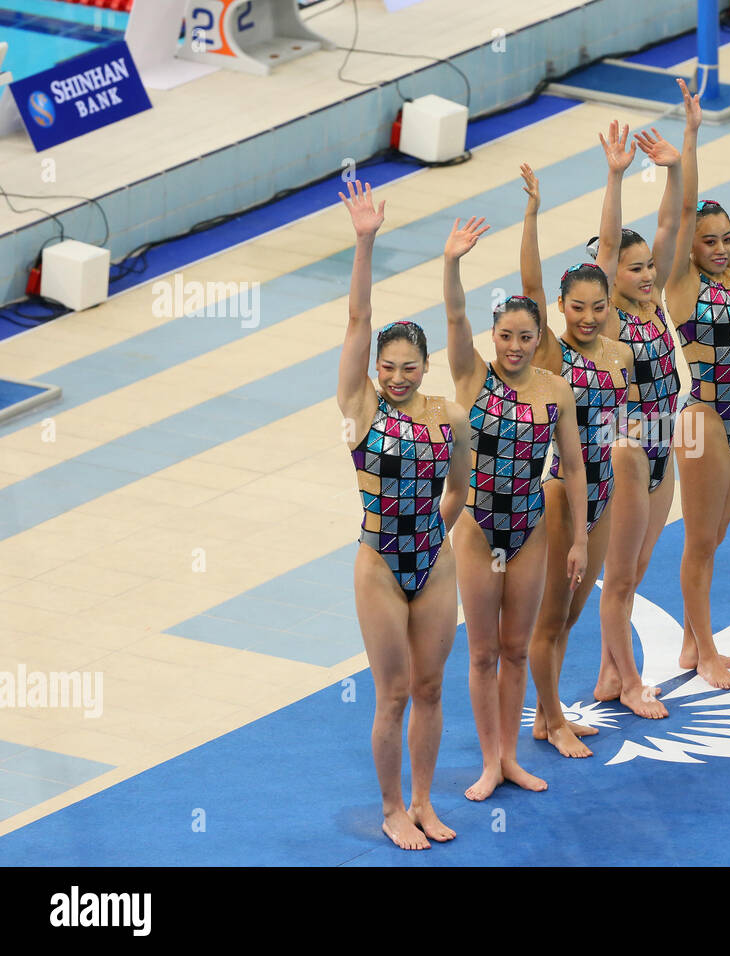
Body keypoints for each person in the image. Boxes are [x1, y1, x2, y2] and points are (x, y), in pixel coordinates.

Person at [336, 180, 470, 849]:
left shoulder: (450, 417)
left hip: (434, 563)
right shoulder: (361, 410)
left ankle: (423, 800)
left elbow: (461, 492)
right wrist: (366, 242)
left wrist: (437, 541)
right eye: (387, 366)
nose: (395, 376)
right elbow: (358, 322)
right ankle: (391, 807)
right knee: (392, 695)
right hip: (380, 564)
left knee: (431, 688)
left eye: (407, 367)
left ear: (424, 367)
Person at [442, 214, 588, 799]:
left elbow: (573, 468)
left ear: (537, 339)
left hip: (529, 532)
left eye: (526, 338)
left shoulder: (556, 389)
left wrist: (577, 538)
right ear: (493, 337)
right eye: (505, 336)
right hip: (479, 530)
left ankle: (510, 756)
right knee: (481, 652)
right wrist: (452, 263)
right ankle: (488, 762)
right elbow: (455, 316)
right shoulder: (471, 376)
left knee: (514, 649)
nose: (515, 347)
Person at [518, 161, 635, 757]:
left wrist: (613, 177)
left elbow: (610, 247)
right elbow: (530, 287)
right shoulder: (555, 358)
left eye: (597, 306)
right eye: (576, 307)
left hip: (603, 490)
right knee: (550, 617)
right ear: (561, 310)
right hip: (563, 492)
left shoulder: (619, 354)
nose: (587, 317)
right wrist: (534, 213)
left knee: (571, 615)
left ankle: (546, 713)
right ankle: (553, 720)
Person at [662, 79, 730, 689]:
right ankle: (703, 652)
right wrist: (692, 137)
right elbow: (680, 213)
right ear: (691, 250)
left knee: (718, 534)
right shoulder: (684, 285)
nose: (724, 248)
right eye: (711, 241)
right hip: (702, 418)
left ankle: (686, 637)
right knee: (700, 542)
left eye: (728, 239)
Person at [590, 120, 684, 716]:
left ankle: (606, 671)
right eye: (635, 269)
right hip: (624, 452)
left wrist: (674, 170)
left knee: (637, 572)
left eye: (649, 265)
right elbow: (603, 252)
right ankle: (628, 683)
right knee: (619, 580)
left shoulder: (654, 303)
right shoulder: (612, 319)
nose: (648, 275)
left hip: (663, 448)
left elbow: (671, 225)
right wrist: (616, 176)